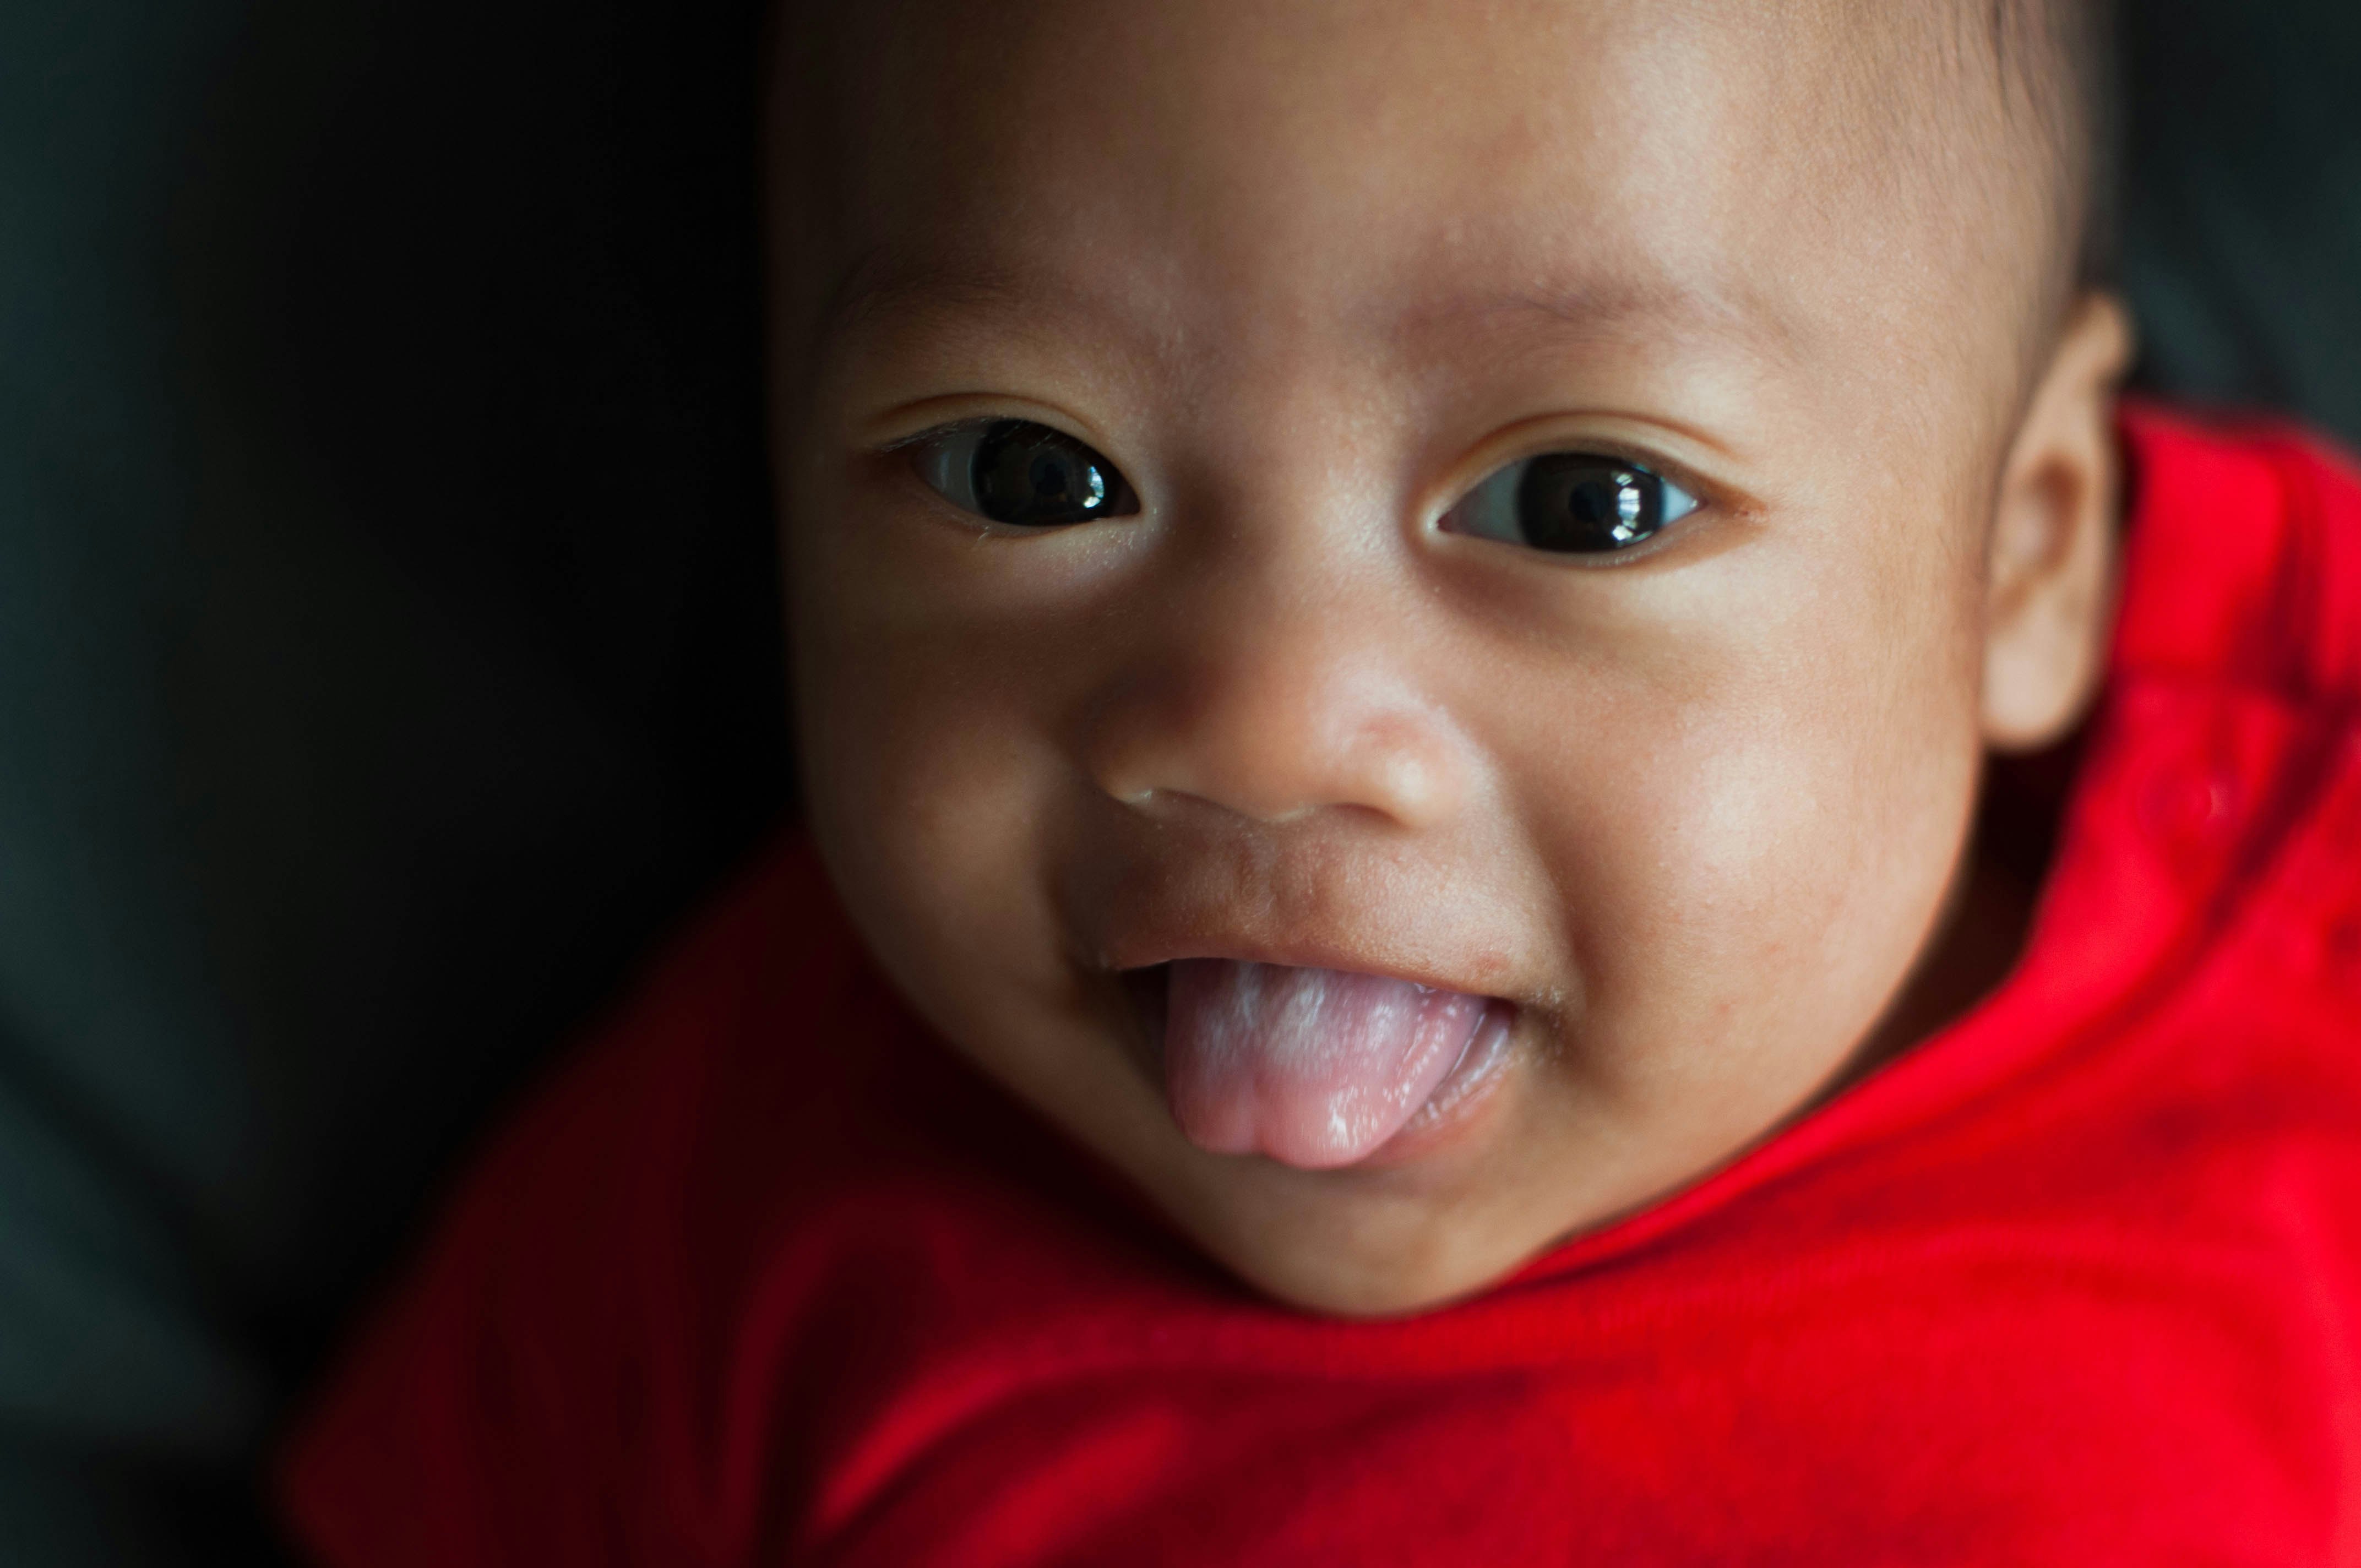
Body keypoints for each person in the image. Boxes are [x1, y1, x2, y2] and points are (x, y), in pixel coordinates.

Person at [276, 0, 2361, 1559]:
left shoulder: (2294, 902)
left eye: (1587, 500)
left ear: (2027, 553)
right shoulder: (748, 1195)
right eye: (1031, 474)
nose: (1262, 723)